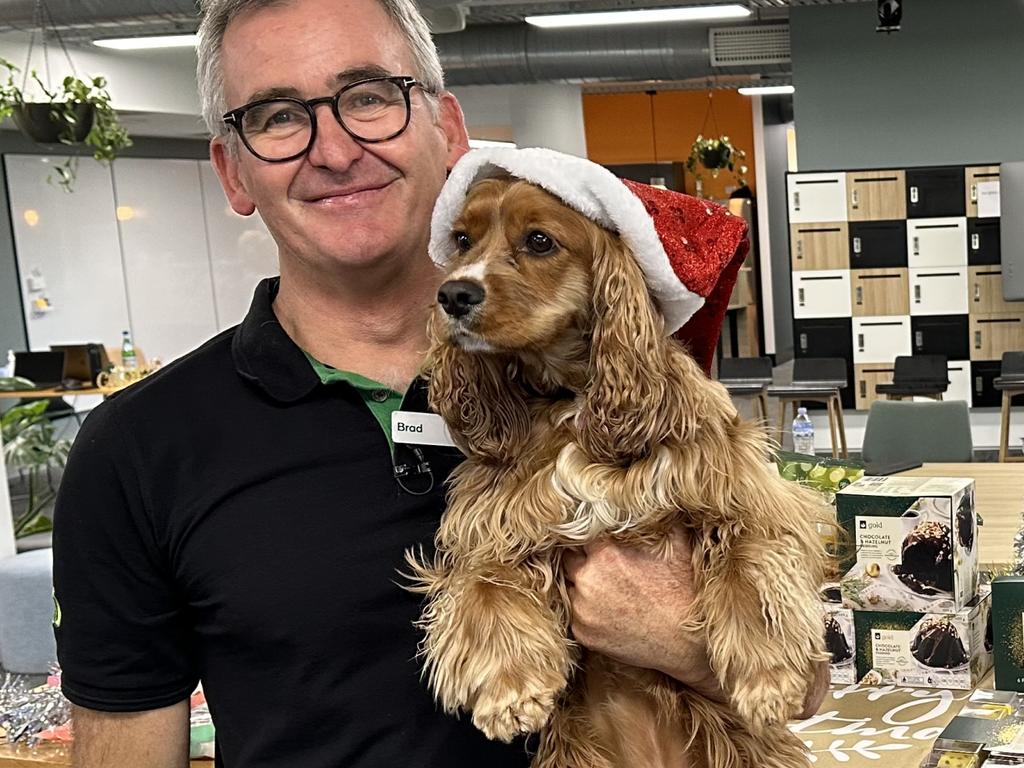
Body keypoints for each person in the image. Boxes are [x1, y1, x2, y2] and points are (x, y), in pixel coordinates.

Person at [51, 0, 828, 766]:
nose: (334, 148)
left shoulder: (605, 393)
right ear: (233, 169)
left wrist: (677, 635)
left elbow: (804, 688)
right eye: (277, 117)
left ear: (448, 129)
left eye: (368, 97)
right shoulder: (137, 449)